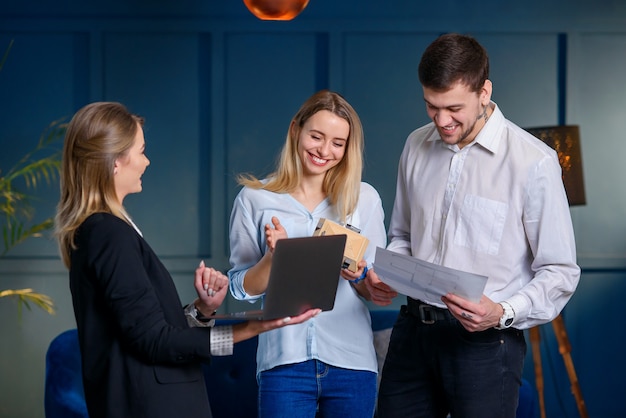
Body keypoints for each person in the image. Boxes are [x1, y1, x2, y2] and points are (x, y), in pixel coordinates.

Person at [54, 101, 320, 418]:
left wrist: (202, 309)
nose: (146, 161)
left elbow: (146, 327)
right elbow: (154, 341)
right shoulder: (108, 234)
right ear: (115, 162)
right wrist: (252, 328)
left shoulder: (106, 231)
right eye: (140, 151)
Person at [366, 33, 581, 418]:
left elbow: (560, 271)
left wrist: (501, 312)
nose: (441, 120)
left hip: (486, 343)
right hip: (412, 332)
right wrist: (388, 276)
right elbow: (401, 236)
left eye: (453, 108)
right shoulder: (415, 145)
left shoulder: (534, 162)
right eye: (431, 106)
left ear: (484, 92)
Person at [228, 89, 388, 417]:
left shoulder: (365, 200)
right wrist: (274, 257)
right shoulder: (254, 199)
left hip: (352, 361)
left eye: (337, 143)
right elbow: (240, 289)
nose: (324, 151)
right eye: (316, 136)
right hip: (284, 362)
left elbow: (372, 289)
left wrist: (357, 274)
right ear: (295, 130)